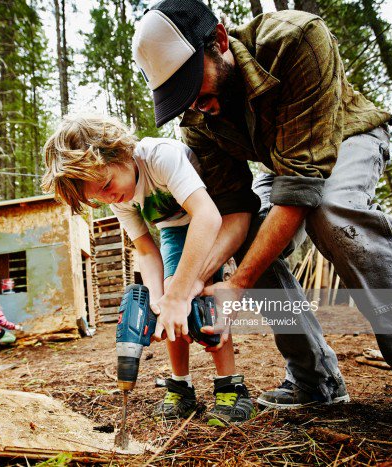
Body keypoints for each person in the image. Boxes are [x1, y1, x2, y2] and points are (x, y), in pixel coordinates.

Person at [131, 0, 392, 435]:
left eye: (194, 83)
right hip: (283, 164)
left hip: (347, 134)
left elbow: (304, 184)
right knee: (254, 239)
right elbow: (235, 211)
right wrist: (189, 286)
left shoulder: (294, 39)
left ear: (221, 41)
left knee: (334, 212)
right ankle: (314, 377)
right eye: (179, 95)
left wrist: (241, 283)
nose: (194, 103)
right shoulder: (196, 119)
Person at [41, 114, 255, 425]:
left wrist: (181, 292)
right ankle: (181, 386)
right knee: (169, 299)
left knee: (205, 298)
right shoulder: (116, 198)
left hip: (208, 214)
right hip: (172, 229)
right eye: (96, 198)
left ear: (120, 152)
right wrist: (160, 301)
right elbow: (144, 249)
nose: (107, 198)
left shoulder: (159, 157)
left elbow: (207, 217)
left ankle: (230, 385)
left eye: (106, 185)